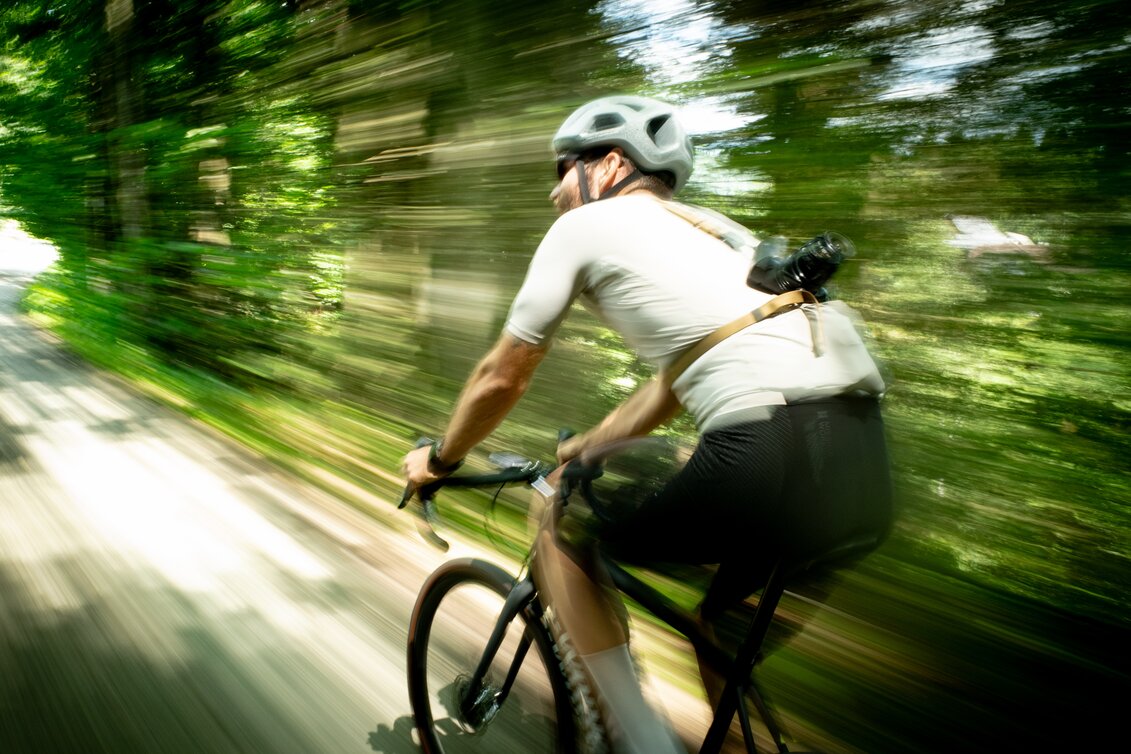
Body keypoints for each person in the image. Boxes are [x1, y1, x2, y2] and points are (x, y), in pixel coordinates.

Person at [402, 95, 892, 753]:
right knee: (720, 639)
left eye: (561, 169)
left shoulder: (586, 226)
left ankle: (638, 743)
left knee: (558, 520)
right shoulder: (720, 235)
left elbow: (502, 375)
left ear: (606, 166)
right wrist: (583, 448)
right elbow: (675, 383)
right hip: (862, 473)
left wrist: (441, 459)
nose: (553, 193)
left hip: (765, 448)